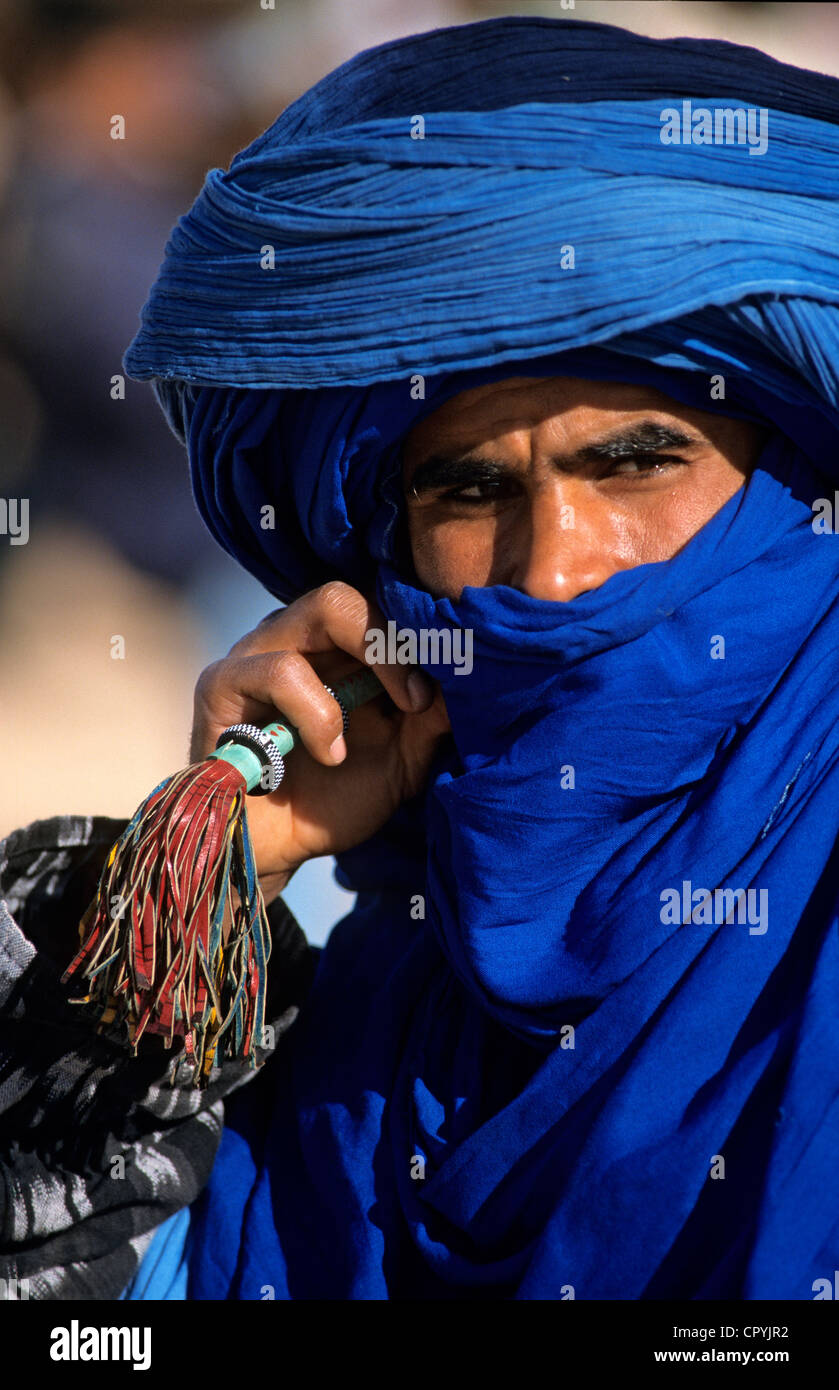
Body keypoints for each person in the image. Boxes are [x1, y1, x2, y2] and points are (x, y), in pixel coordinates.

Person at [3, 14, 839, 1301]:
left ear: (795, 484)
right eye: (464, 489)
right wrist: (219, 880)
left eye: (634, 461)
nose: (550, 567)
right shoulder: (380, 988)